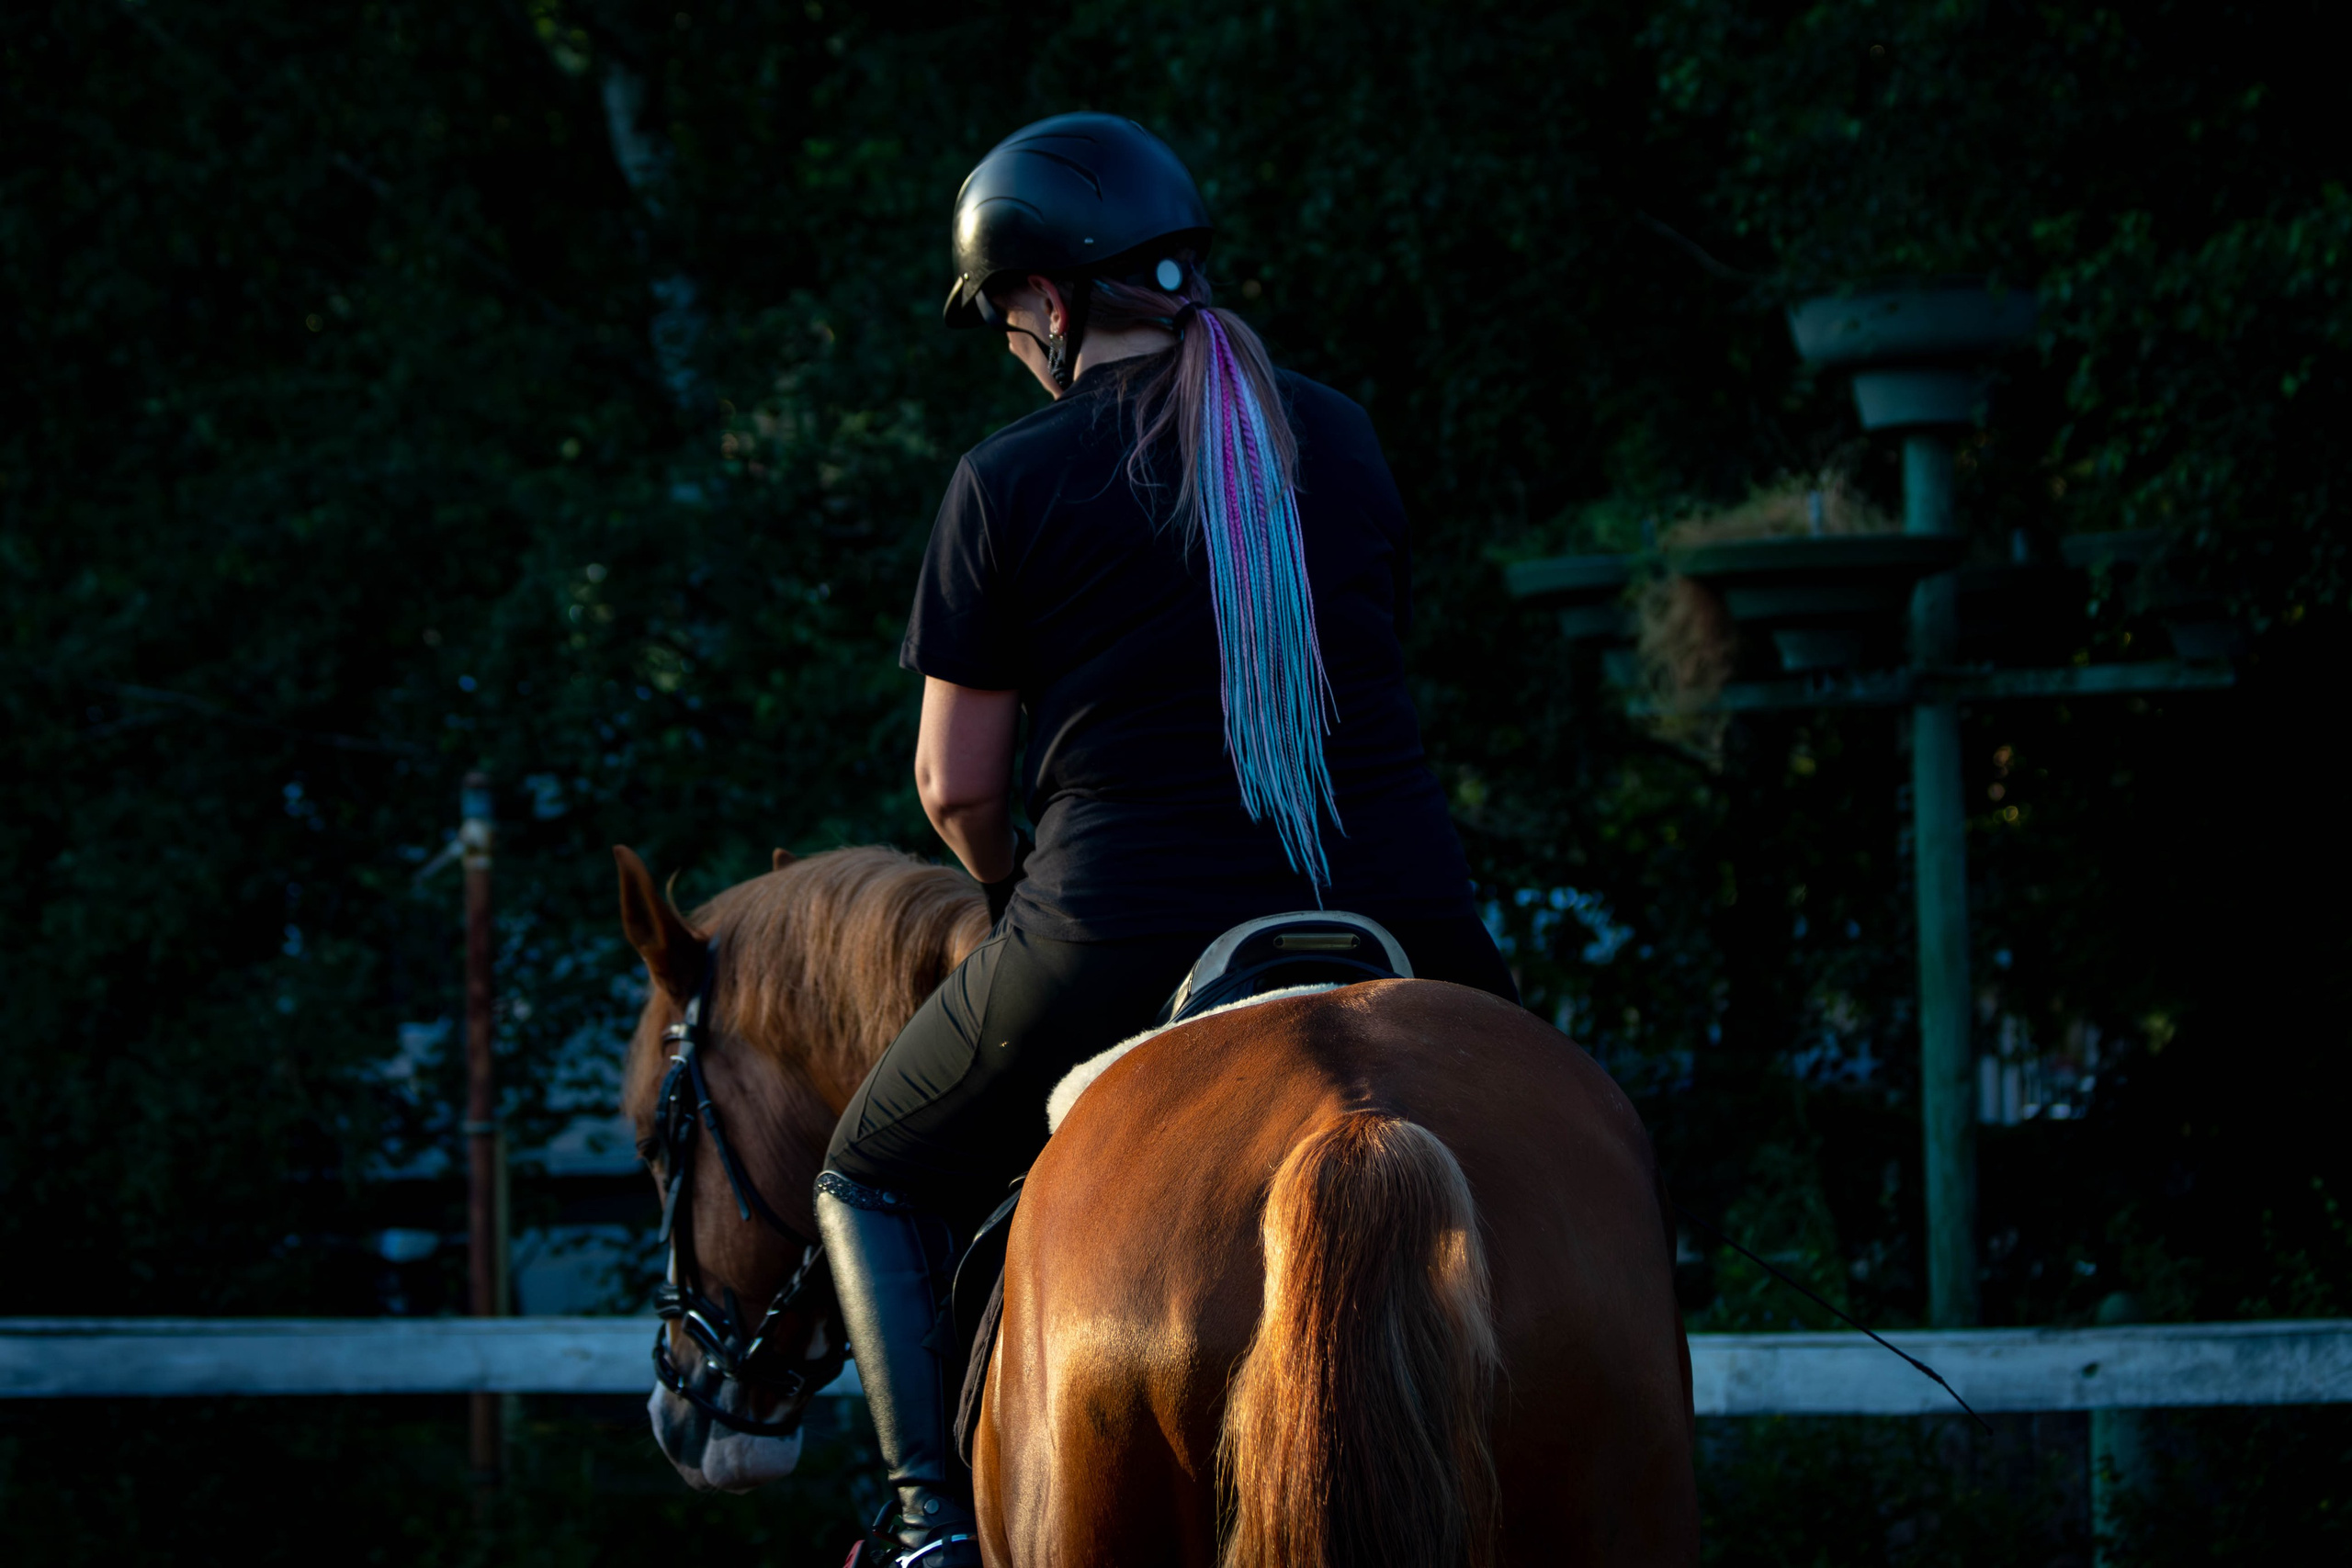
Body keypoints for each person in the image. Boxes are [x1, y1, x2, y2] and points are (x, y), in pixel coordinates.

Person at [814, 112, 1517, 1567]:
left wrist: (1018, 898)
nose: (1009, 339)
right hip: (1409, 913)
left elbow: (954, 785)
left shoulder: (1006, 482)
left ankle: (928, 1528)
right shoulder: (1339, 433)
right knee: (1585, 1139)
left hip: (1118, 930)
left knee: (868, 1173)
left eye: (1007, 308)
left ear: (1055, 300)